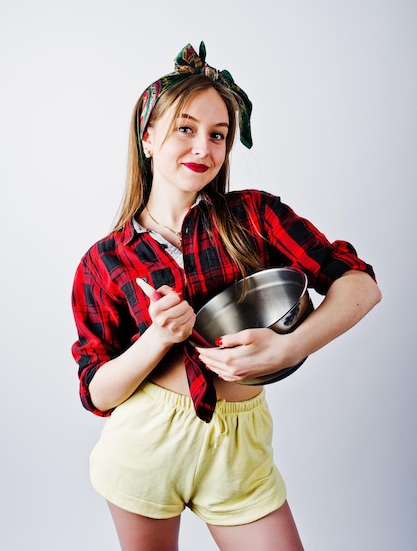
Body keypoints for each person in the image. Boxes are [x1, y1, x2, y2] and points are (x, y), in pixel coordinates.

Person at [71, 41, 381, 551]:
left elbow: (360, 285)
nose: (204, 149)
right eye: (186, 129)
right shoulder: (104, 260)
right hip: (146, 444)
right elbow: (96, 393)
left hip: (241, 448)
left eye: (219, 136)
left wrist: (292, 346)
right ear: (148, 138)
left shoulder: (254, 217)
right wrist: (156, 338)